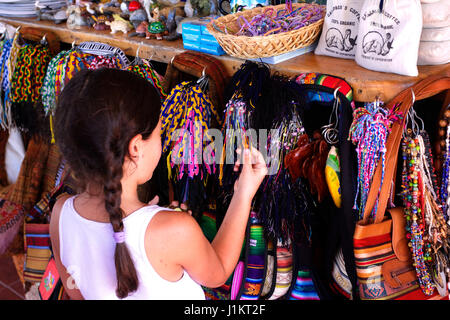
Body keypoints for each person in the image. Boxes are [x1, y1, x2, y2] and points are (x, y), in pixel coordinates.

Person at [49, 68, 267, 300]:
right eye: (159, 132)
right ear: (135, 148)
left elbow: (77, 292)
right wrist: (243, 193)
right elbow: (218, 273)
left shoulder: (60, 213)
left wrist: (158, 217)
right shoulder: (176, 229)